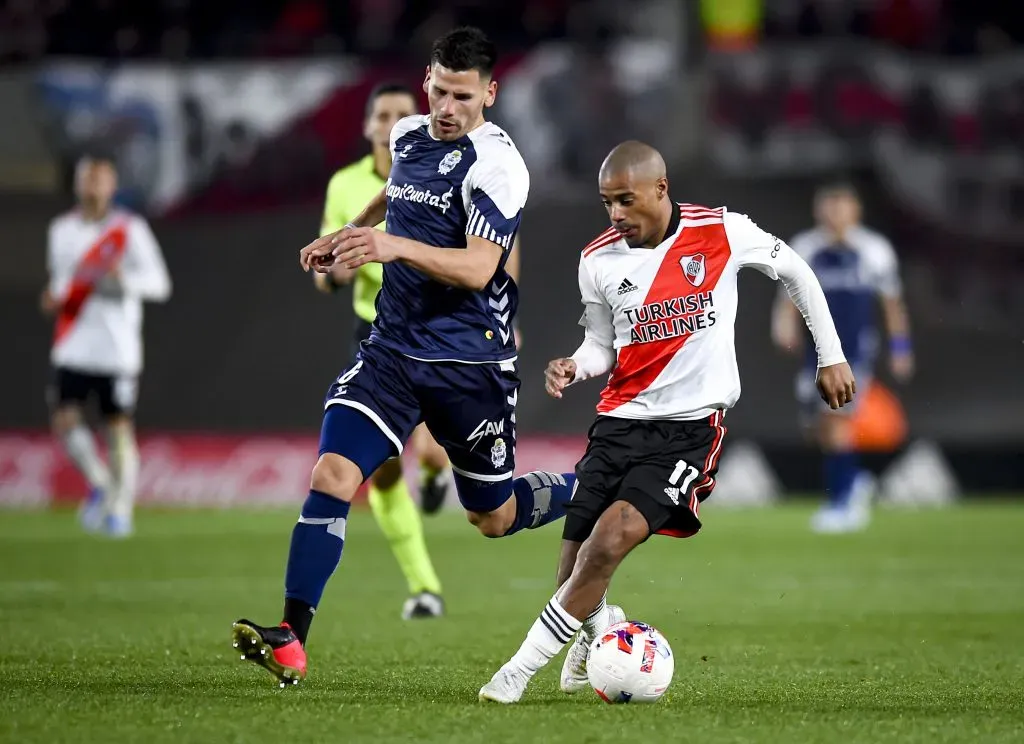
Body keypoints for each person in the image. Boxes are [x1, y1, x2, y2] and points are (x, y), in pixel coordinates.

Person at [232, 26, 576, 688]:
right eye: (440, 91)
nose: (448, 107)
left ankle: (589, 488)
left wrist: (390, 249)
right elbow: (397, 196)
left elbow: (479, 268)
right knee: (333, 473)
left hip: (468, 365)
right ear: (427, 81)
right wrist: (352, 232)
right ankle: (291, 638)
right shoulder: (409, 136)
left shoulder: (498, 165)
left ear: (490, 94)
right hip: (391, 350)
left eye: (463, 96)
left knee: (493, 516)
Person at [478, 140, 854, 704]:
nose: (616, 215)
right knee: (572, 573)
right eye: (607, 203)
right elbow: (602, 344)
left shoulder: (722, 231)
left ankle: (513, 675)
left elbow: (797, 272)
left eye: (626, 200)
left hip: (689, 430)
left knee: (608, 543)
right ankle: (604, 633)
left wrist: (831, 354)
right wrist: (574, 365)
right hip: (617, 425)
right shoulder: (598, 259)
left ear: (661, 188)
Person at [315, 82, 448, 620]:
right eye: (383, 115)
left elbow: (491, 248)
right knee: (386, 470)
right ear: (370, 126)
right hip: (376, 335)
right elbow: (329, 261)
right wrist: (334, 271)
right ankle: (425, 588)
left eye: (402, 115)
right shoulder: (344, 185)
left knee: (436, 452)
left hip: (437, 330)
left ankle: (438, 473)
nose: (391, 124)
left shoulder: (438, 171)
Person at [41, 153, 172, 538]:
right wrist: (54, 295)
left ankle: (120, 510)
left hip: (116, 348)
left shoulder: (129, 230)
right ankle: (100, 484)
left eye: (100, 180)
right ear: (78, 184)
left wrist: (123, 279)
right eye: (87, 179)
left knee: (117, 428)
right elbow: (63, 280)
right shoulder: (61, 230)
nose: (93, 186)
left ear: (112, 186)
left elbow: (159, 284)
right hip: (73, 342)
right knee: (64, 421)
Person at [771, 180, 912, 533]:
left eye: (842, 206)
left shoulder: (873, 250)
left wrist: (900, 348)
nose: (835, 214)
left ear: (855, 211)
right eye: (828, 206)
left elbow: (892, 305)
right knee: (818, 427)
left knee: (836, 421)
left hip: (853, 353)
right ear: (819, 210)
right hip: (814, 353)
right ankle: (854, 482)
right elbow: (788, 297)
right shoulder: (805, 247)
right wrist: (783, 324)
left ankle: (842, 502)